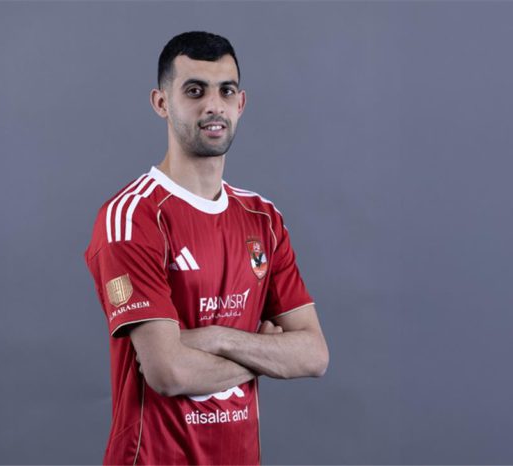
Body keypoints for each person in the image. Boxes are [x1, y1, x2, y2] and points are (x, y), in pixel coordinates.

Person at [84, 31, 329, 465]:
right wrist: (265, 353)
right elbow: (168, 372)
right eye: (195, 91)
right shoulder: (133, 216)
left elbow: (313, 355)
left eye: (226, 91)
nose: (213, 105)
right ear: (161, 102)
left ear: (241, 104)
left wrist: (215, 338)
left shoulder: (263, 218)